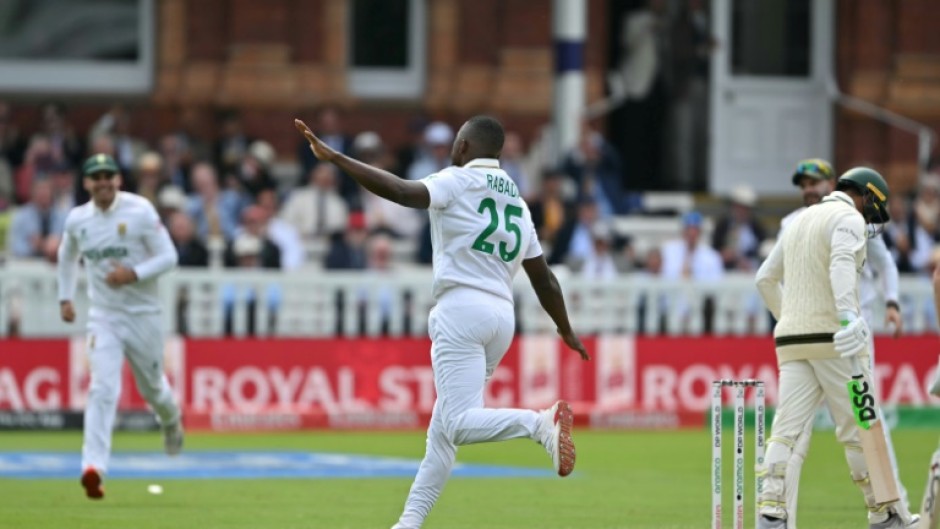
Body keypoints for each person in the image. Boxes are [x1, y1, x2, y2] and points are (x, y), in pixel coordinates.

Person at [294, 115, 589, 529]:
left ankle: (539, 423)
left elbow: (400, 190)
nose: (454, 148)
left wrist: (335, 158)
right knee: (443, 432)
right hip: (502, 317)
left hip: (461, 309)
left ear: (466, 146)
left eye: (457, 141)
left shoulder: (456, 179)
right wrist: (566, 329)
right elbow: (544, 278)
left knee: (456, 423)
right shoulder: (518, 204)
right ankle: (408, 524)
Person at [755, 167, 911, 529]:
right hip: (837, 343)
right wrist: (847, 319)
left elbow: (765, 278)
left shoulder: (797, 222)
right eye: (872, 209)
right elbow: (842, 264)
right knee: (861, 425)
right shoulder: (848, 218)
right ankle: (882, 512)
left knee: (786, 430)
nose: (870, 220)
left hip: (792, 341)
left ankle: (771, 513)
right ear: (865, 195)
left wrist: (790, 316)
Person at [56, 154, 184, 500]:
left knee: (153, 390)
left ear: (118, 180)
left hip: (143, 314)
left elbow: (169, 256)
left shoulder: (140, 211)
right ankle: (93, 468)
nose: (102, 182)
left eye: (108, 176)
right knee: (102, 388)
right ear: (86, 183)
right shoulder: (78, 219)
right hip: (104, 316)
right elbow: (67, 256)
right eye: (95, 176)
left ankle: (170, 421)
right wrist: (64, 297)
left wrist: (133, 273)